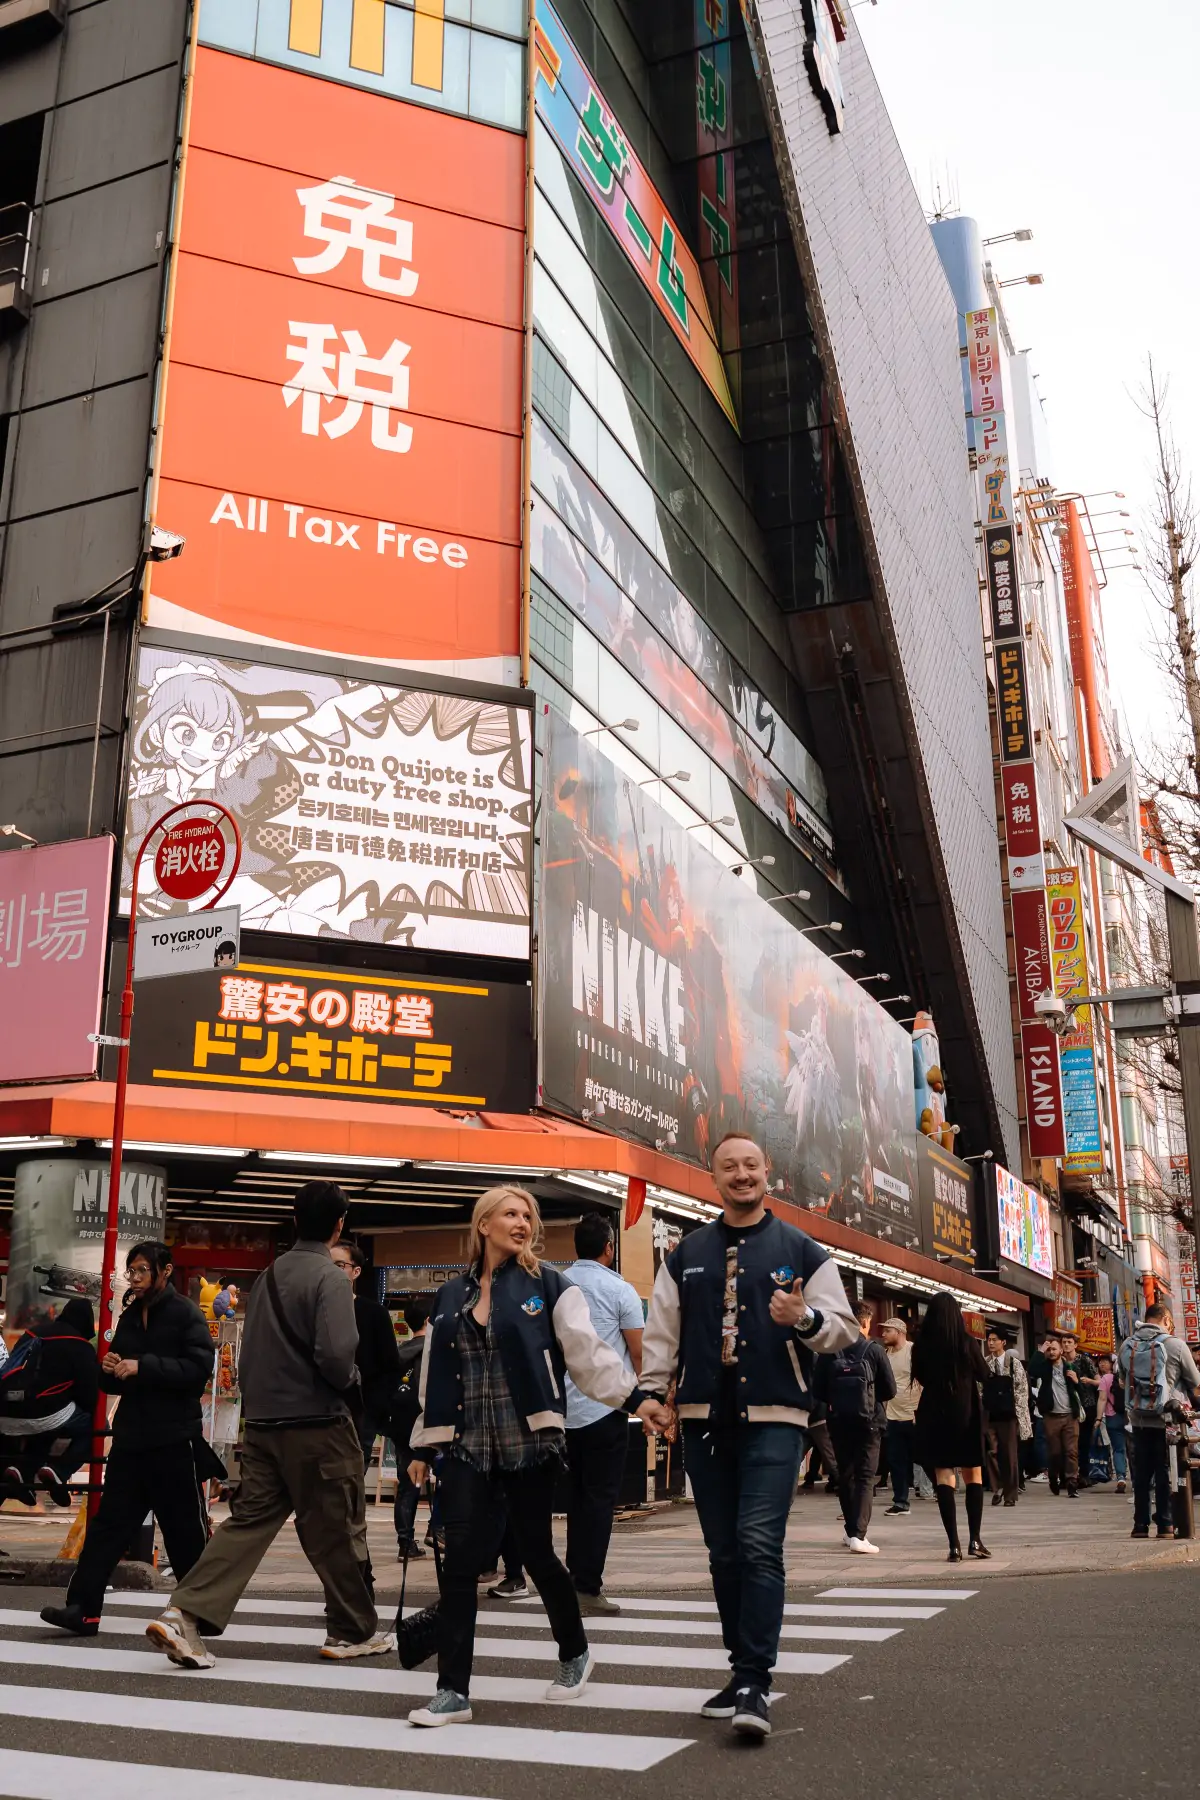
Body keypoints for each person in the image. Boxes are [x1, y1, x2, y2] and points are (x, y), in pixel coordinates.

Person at [405, 1184, 660, 1728]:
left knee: (538, 1554)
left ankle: (575, 1651)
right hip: (468, 1445)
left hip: (529, 1442)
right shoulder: (451, 1295)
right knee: (460, 1564)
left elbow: (588, 1356)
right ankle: (452, 1690)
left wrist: (637, 1399)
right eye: (510, 1213)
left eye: (529, 1215)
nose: (522, 1222)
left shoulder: (551, 1286)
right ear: (484, 1224)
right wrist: (423, 1444)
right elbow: (432, 1375)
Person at [635, 1131, 857, 1739]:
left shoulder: (801, 1249)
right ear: (714, 1178)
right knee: (724, 1552)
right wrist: (653, 1393)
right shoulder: (687, 1252)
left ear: (768, 1174)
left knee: (759, 1544)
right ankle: (741, 1672)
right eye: (729, 1166)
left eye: (751, 1165)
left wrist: (804, 1318)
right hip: (706, 1420)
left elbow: (844, 1329)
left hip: (776, 1419)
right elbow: (663, 1330)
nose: (741, 1175)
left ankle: (756, 1679)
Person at [146, 1182, 392, 1671]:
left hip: (262, 1426)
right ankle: (350, 1630)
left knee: (248, 1524)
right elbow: (337, 1355)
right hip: (318, 1425)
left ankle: (185, 1612)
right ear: (339, 1225)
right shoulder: (331, 1279)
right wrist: (354, 1381)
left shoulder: (269, 1275)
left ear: (295, 1220)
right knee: (337, 1529)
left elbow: (250, 1353)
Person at [40, 1243, 218, 1637]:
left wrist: (144, 1366)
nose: (134, 1279)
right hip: (132, 1439)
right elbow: (113, 1375)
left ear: (164, 1271)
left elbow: (198, 1369)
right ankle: (82, 1609)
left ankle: (202, 1612)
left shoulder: (185, 1313)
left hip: (174, 1439)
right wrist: (107, 1367)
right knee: (108, 1528)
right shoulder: (131, 1315)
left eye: (141, 1271)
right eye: (131, 1271)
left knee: (184, 1532)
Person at [562, 1211, 644, 1615]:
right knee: (598, 1499)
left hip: (561, 1412)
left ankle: (573, 1578)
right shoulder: (620, 1290)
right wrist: (650, 1402)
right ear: (610, 1248)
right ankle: (586, 1585)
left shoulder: (557, 1284)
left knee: (575, 1497)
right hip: (606, 1407)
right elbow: (639, 1352)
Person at [912, 1293, 990, 1561]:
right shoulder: (967, 1343)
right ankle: (975, 1540)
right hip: (966, 1413)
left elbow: (921, 1376)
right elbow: (984, 1375)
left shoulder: (921, 1345)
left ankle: (954, 1545)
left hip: (934, 1412)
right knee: (973, 1475)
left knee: (944, 1477)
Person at [814, 1301, 895, 1554]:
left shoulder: (830, 1351)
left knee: (846, 1475)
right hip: (870, 1422)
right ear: (863, 1322)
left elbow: (818, 1390)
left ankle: (851, 1532)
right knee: (865, 1477)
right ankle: (859, 1535)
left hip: (838, 1421)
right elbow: (890, 1389)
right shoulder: (874, 1350)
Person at [0, 1298, 98, 1507]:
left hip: (5, 1409)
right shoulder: (81, 1345)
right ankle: (59, 1471)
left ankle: (21, 1472)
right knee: (95, 1424)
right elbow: (89, 1397)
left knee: (44, 1422)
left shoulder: (33, 1332)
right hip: (45, 1413)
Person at [1118, 1303, 1200, 1540]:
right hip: (1168, 1419)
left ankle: (1140, 1525)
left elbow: (1123, 1379)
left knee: (1142, 1472)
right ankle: (1165, 1523)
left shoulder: (1127, 1345)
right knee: (1166, 1470)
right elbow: (1194, 1379)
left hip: (1138, 1419)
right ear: (1165, 1319)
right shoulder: (1175, 1344)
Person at [330, 1238, 401, 1468]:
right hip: (318, 1410)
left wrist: (375, 1409)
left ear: (356, 1271)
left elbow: (390, 1365)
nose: (331, 1271)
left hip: (361, 1412)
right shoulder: (312, 1310)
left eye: (339, 1265)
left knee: (352, 1478)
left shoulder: (374, 1314)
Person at [387, 1295, 431, 1561]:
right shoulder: (436, 1350)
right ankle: (437, 1530)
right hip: (432, 1424)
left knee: (408, 1485)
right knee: (450, 1480)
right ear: (429, 1320)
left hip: (402, 1427)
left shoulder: (398, 1353)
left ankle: (406, 1544)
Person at [1029, 1334, 1084, 1497]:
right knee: (1055, 1452)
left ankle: (1071, 1483)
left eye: (1055, 1348)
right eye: (1049, 1349)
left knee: (1071, 1451)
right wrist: (1040, 1351)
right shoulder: (1044, 1367)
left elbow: (1081, 1392)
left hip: (1069, 1416)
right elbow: (1031, 1370)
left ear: (1061, 1350)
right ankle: (1054, 1477)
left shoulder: (1071, 1367)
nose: (1052, 1352)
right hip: (1051, 1416)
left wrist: (1077, 1381)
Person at [982, 1326, 1029, 1508]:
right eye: (989, 1340)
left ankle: (1010, 1494)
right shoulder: (984, 1363)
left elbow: (1022, 1390)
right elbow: (979, 1388)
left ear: (1003, 1342)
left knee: (1009, 1455)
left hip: (1009, 1415)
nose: (991, 1343)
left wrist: (1020, 1416)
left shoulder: (1014, 1364)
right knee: (990, 1451)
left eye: (994, 1339)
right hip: (990, 1414)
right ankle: (998, 1487)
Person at [881, 1317, 919, 1516]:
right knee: (896, 1461)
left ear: (899, 1332)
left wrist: (921, 1412)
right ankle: (901, 1502)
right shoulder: (885, 1355)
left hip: (913, 1415)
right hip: (892, 1416)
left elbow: (924, 1382)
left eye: (888, 1330)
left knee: (924, 1458)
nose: (883, 1334)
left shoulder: (914, 1351)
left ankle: (942, 1491)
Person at [1061, 1333, 1101, 1486]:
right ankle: (1070, 1475)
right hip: (1068, 1405)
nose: (1066, 1345)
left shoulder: (1083, 1360)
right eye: (1064, 1342)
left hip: (1086, 1404)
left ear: (1075, 1345)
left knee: (1083, 1441)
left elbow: (1099, 1381)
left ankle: (1084, 1475)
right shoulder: (1061, 1361)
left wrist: (1088, 1380)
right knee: (1069, 1443)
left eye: (1069, 1342)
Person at [1097, 1352, 1127, 1493]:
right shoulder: (1129, 1377)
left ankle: (1121, 1477)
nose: (1102, 1364)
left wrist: (1098, 1418)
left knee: (1118, 1449)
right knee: (1134, 1450)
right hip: (1130, 1417)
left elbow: (1102, 1399)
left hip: (1112, 1417)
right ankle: (1141, 1480)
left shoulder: (1106, 1379)